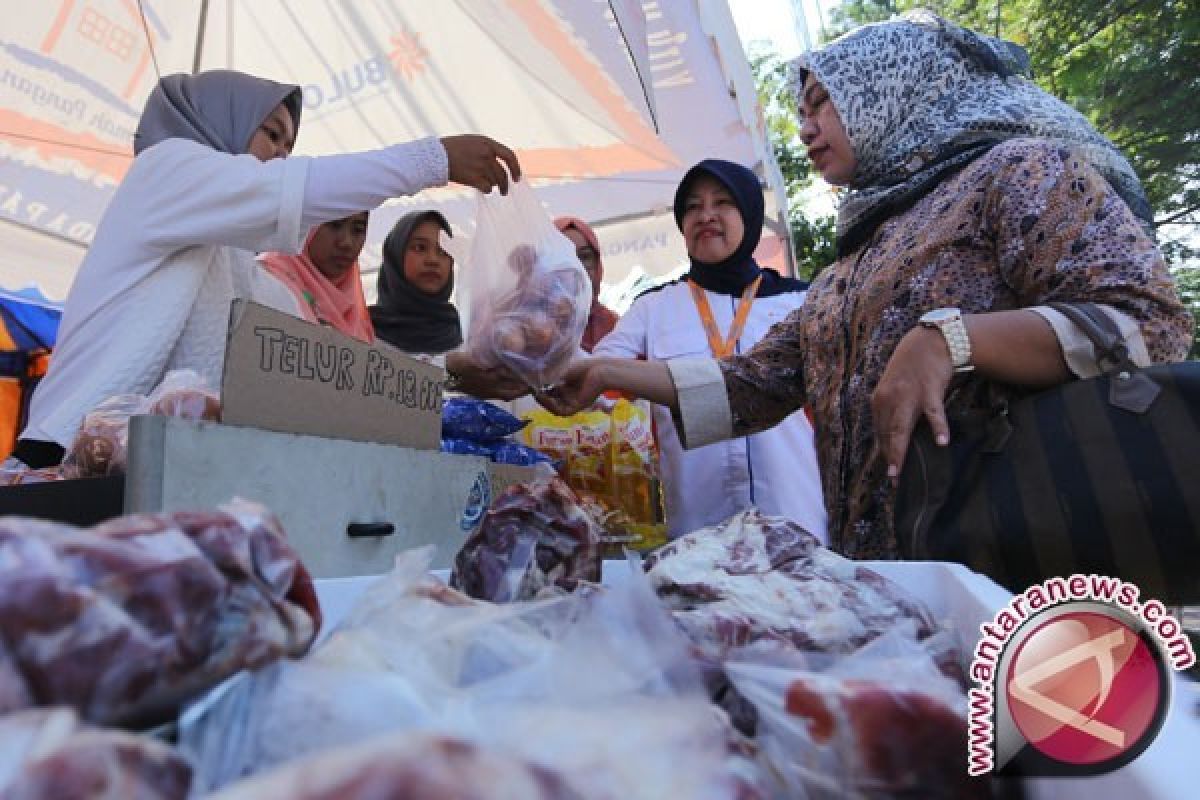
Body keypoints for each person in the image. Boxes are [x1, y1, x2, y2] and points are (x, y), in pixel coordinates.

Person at [535, 13, 1191, 560]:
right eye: (801, 109)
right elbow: (752, 386)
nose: (807, 126)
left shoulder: (1015, 172)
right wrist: (598, 373)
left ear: (892, 86)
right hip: (892, 583)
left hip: (1019, 567)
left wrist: (950, 341)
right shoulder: (850, 267)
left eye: (823, 101)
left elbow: (1145, 322)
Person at [12, 69, 522, 468]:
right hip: (61, 461)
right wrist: (434, 160)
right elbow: (297, 188)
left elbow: (320, 356)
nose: (279, 154)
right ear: (218, 119)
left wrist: (448, 371)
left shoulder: (236, 261)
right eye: (272, 134)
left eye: (289, 146)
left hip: (152, 475)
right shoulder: (163, 172)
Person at [585, 159, 827, 541]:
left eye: (723, 202)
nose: (706, 215)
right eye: (693, 206)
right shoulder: (653, 308)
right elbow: (594, 371)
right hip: (698, 539)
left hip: (798, 524)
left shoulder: (802, 301)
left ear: (749, 211)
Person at [261, 211, 374, 342]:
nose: (346, 242)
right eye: (334, 225)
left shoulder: (355, 314)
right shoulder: (269, 282)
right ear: (307, 226)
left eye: (358, 230)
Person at [369, 210, 462, 355]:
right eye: (420, 248)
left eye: (444, 251)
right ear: (395, 256)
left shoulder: (465, 338)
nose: (433, 260)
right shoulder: (361, 334)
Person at [554, 217, 619, 352]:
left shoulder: (616, 327)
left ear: (597, 264)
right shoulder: (526, 325)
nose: (577, 267)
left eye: (584, 257)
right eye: (565, 256)